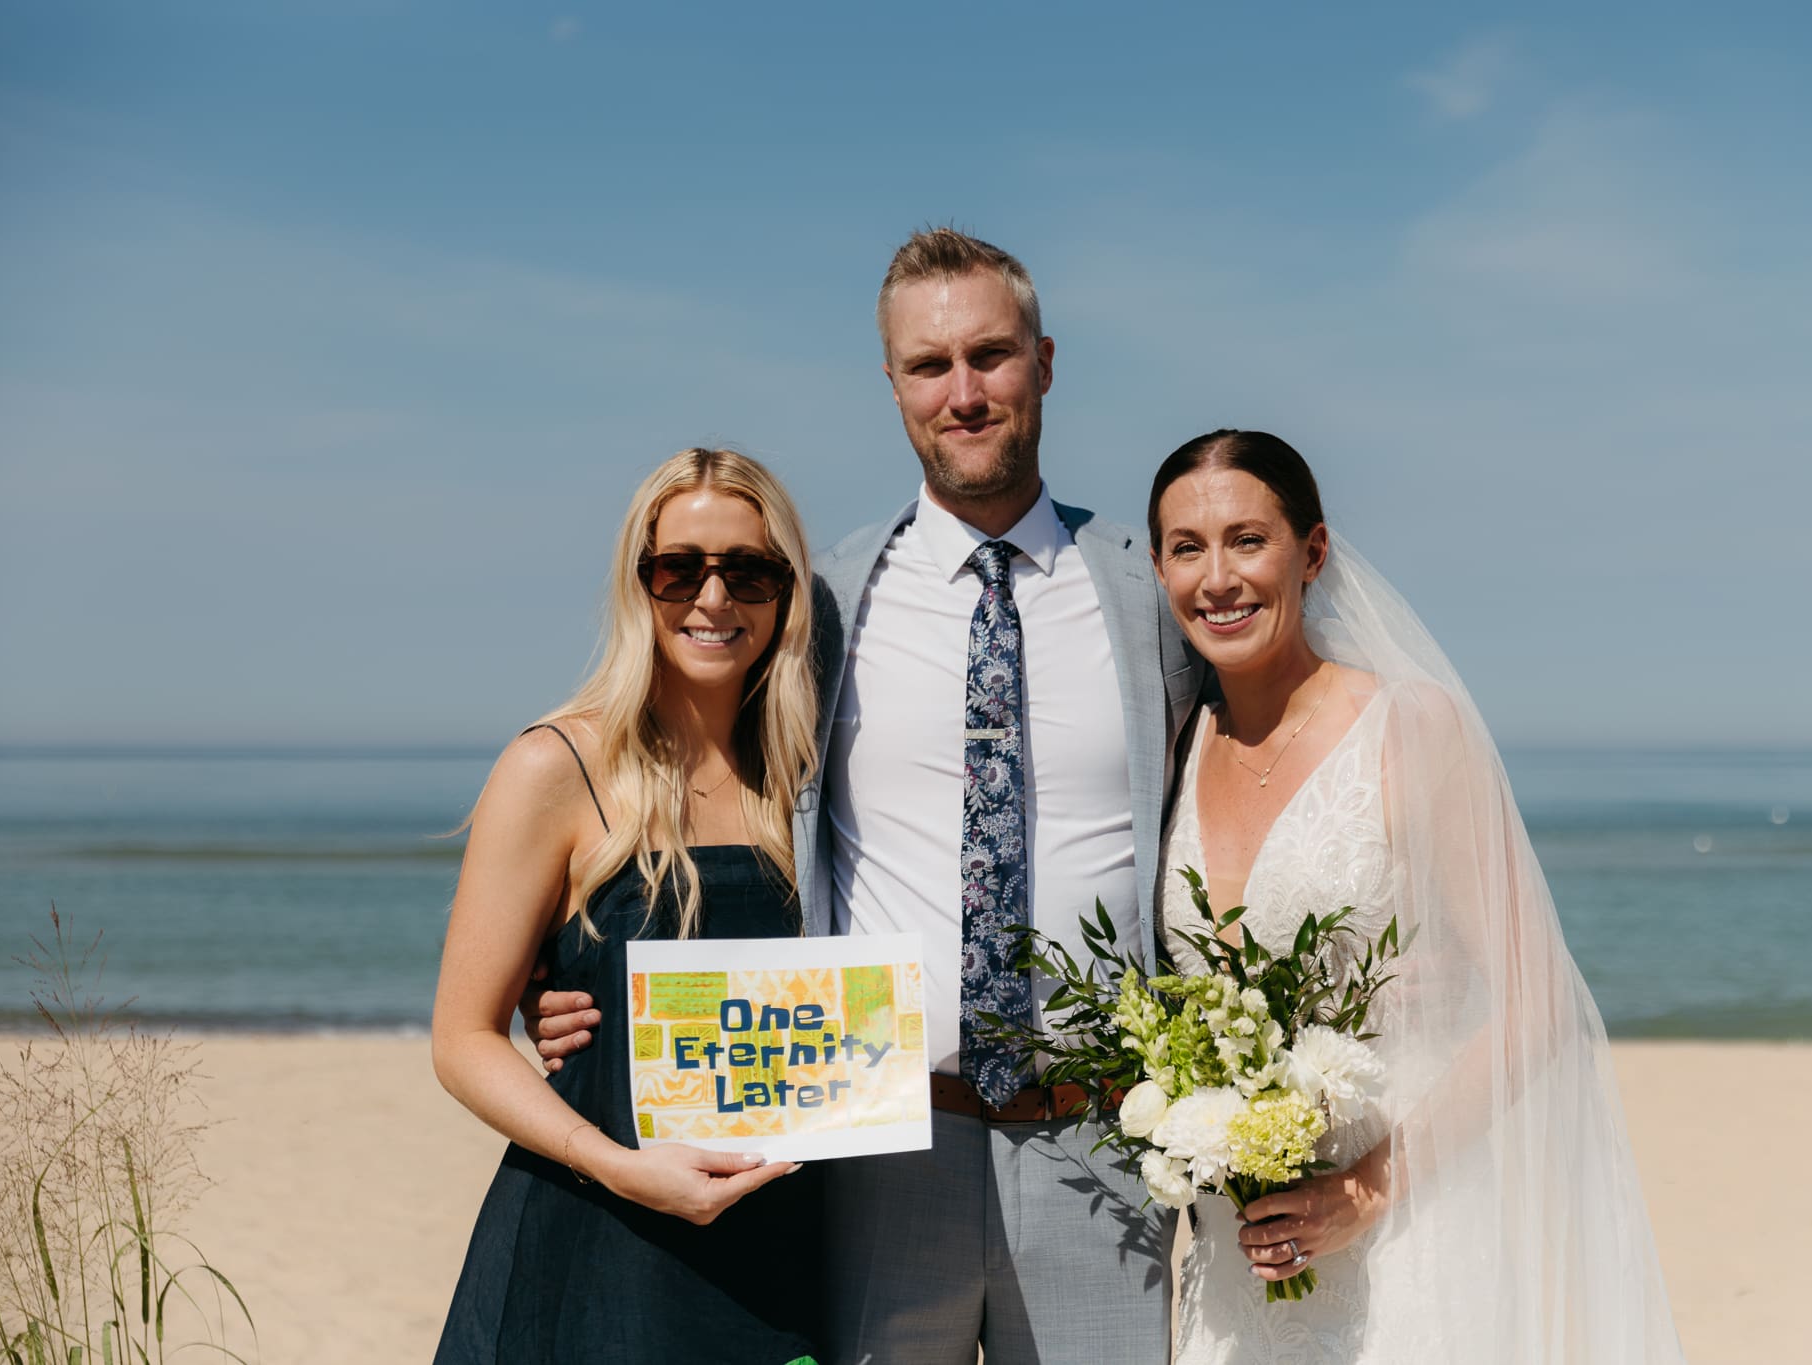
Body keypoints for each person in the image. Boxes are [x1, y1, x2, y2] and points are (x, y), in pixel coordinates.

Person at [531, 229, 1202, 1363]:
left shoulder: (1151, 592)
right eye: (928, 365)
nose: (963, 392)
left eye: (988, 356)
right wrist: (568, 980)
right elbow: (683, 778)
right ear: (890, 384)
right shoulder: (820, 600)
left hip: (1103, 1146)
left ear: (1043, 362)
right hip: (884, 1144)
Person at [1148, 429, 1685, 1362]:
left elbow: (1536, 997)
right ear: (1159, 570)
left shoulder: (1408, 727)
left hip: (1407, 1234)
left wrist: (1360, 1193)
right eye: (1187, 548)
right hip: (1241, 1260)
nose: (1218, 578)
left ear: (1311, 552)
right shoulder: (1171, 751)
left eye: (1248, 539)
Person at [432, 448, 826, 1365]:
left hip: (786, 1250)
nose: (714, 598)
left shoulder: (814, 775)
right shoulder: (555, 767)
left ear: (787, 591)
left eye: (750, 571)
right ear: (638, 583)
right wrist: (622, 1168)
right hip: (604, 1243)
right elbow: (462, 1039)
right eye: (679, 567)